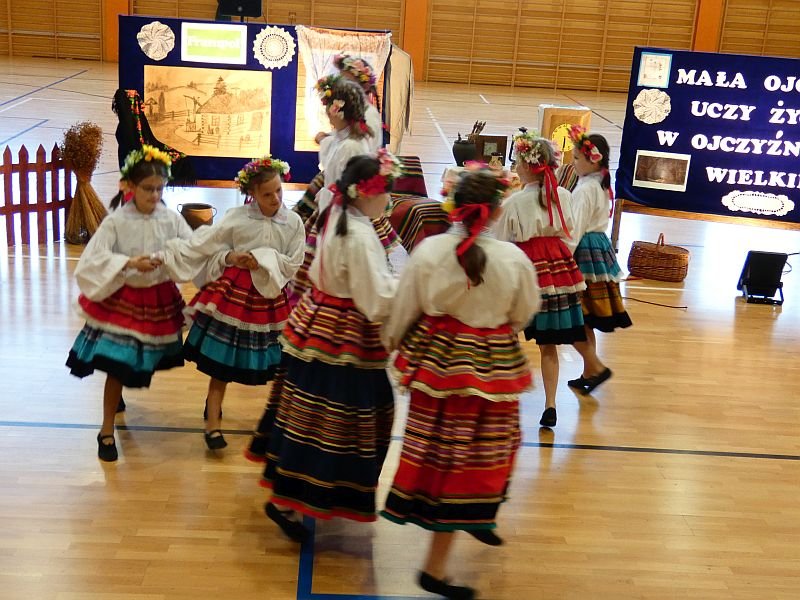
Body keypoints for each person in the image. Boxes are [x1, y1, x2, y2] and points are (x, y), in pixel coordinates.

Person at [381, 168, 541, 600]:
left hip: (439, 361)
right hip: (490, 362)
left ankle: (478, 515)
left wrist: (393, 344)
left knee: (446, 455)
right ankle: (435, 568)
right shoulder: (512, 258)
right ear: (497, 210)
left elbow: (406, 306)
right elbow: (524, 312)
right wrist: (490, 326)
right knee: (485, 451)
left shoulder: (430, 250)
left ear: (452, 206)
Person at [254, 153, 400, 543]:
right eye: (386, 191)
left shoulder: (340, 215)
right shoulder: (358, 234)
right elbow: (376, 299)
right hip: (344, 335)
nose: (389, 200)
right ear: (366, 193)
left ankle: (299, 497)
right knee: (337, 421)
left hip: (322, 324)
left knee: (311, 416)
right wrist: (414, 292)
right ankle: (295, 500)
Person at [159, 156, 305, 451]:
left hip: (271, 300)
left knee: (280, 365)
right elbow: (208, 247)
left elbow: (294, 261)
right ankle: (212, 423)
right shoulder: (237, 218)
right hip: (235, 297)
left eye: (278, 190)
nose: (275, 198)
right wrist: (231, 257)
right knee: (222, 363)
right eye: (267, 194)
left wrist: (266, 260)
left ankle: (277, 423)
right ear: (252, 194)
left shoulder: (292, 222)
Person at [66, 145, 192, 462]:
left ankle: (117, 401)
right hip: (123, 301)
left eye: (160, 189)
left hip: (157, 299)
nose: (155, 195)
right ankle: (106, 430)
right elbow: (94, 259)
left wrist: (165, 257)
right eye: (148, 189)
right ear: (130, 186)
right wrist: (129, 262)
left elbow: (190, 248)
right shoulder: (117, 221)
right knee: (116, 365)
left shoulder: (170, 219)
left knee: (132, 361)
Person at [494, 131, 586, 428]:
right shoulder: (564, 196)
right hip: (557, 270)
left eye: (517, 162)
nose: (515, 167)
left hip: (525, 269)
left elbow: (502, 240)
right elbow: (571, 234)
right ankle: (550, 404)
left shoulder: (515, 202)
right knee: (549, 345)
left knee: (507, 335)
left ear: (525, 166)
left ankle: (504, 395)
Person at [567, 126, 632, 393]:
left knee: (572, 317)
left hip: (584, 251)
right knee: (585, 318)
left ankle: (597, 368)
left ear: (592, 160)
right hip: (598, 249)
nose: (572, 163)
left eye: (576, 158)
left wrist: (563, 258)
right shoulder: (598, 183)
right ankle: (588, 371)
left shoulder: (586, 189)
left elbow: (575, 228)